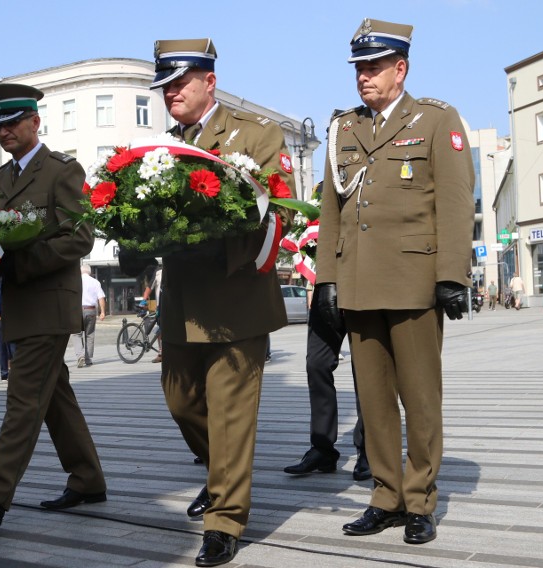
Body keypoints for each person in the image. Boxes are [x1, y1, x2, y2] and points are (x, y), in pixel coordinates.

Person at [315, 19, 474, 545]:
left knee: (420, 398)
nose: (364, 76)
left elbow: (454, 203)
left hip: (413, 283)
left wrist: (452, 275)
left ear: (400, 68)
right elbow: (332, 210)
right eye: (359, 67)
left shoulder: (434, 119)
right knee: (375, 401)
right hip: (359, 286)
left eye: (374, 66)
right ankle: (386, 496)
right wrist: (327, 282)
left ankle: (420, 500)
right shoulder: (345, 128)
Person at [136, 38, 295, 566]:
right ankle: (220, 470)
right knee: (180, 402)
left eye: (180, 83)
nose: (171, 94)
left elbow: (282, 208)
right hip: (183, 301)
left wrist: (223, 219)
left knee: (229, 413)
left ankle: (224, 522)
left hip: (236, 298)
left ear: (210, 81)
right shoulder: (162, 146)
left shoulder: (256, 133)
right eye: (165, 87)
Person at [0, 82, 105, 525]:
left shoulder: (62, 170)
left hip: (50, 303)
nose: (5, 131)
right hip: (19, 305)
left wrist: (20, 265)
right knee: (54, 398)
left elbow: (80, 235)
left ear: (36, 121)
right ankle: (88, 479)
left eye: (13, 122)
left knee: (23, 398)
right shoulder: (0, 178)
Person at [283, 289, 371, 482]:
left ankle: (368, 449)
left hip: (361, 285)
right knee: (316, 364)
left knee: (366, 371)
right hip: (326, 286)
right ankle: (322, 449)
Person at [73, 264, 106, 368]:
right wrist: (102, 312)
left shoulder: (75, 281)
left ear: (80, 272)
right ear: (90, 272)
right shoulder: (96, 282)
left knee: (76, 333)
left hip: (77, 309)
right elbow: (101, 297)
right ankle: (88, 359)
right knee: (90, 334)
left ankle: (80, 356)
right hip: (91, 310)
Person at [141, 264, 163, 363]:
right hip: (161, 306)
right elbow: (150, 287)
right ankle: (161, 353)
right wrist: (143, 300)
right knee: (159, 330)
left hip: (172, 306)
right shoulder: (159, 271)